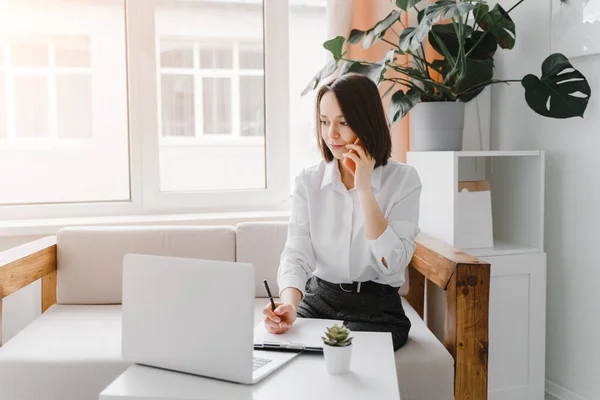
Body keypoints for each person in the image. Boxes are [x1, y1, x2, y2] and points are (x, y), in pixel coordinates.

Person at [262, 72, 422, 351]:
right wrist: (288, 303)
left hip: (377, 308)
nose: (331, 134)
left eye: (343, 122)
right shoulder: (308, 181)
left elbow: (393, 262)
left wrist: (364, 189)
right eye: (324, 122)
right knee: (285, 351)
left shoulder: (404, 180)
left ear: (367, 122)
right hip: (320, 299)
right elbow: (297, 255)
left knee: (346, 354)